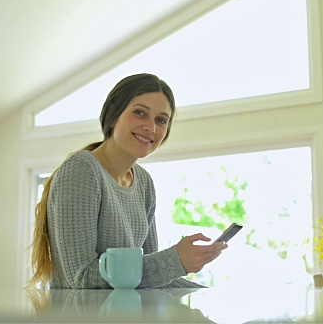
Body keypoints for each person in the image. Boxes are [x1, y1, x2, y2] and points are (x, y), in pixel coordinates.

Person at [28, 73, 227, 289]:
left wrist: (210, 297)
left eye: (161, 120)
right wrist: (176, 261)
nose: (151, 128)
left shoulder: (144, 183)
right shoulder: (82, 171)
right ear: (113, 115)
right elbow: (82, 278)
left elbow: (150, 278)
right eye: (140, 113)